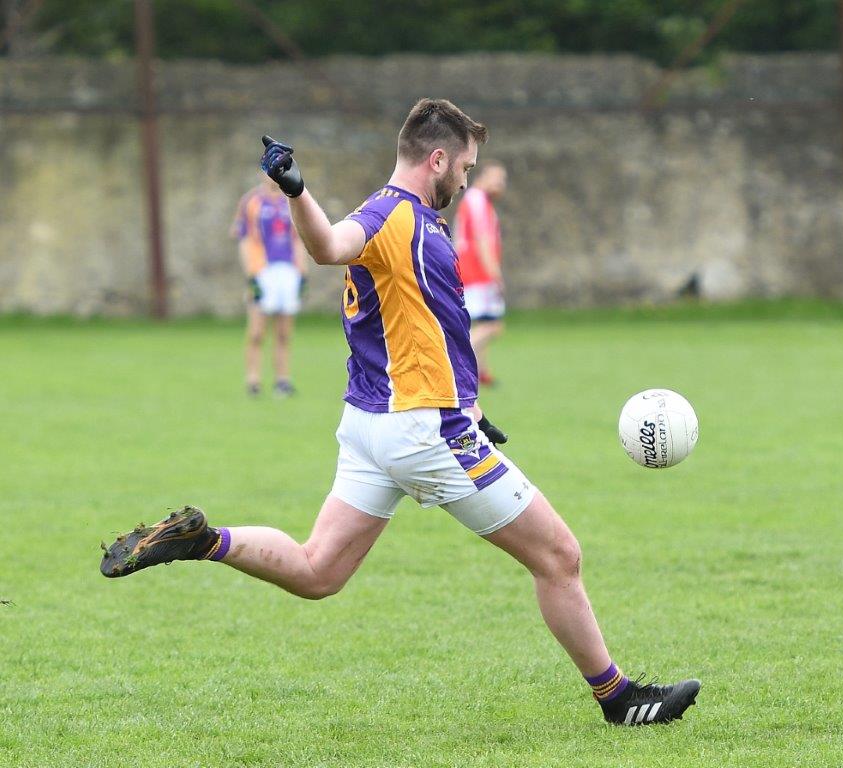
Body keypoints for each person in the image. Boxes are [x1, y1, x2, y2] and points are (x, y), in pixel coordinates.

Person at [100, 99, 700, 726]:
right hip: (421, 429)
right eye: (464, 165)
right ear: (437, 158)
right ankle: (619, 699)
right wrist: (296, 190)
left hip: (373, 426)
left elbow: (424, 327)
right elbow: (330, 245)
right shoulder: (390, 215)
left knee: (317, 571)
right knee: (559, 557)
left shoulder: (408, 220)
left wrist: (469, 404)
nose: (466, 178)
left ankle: (204, 540)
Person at [231, 176, 308, 397]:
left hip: (289, 271)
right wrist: (251, 275)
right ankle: (253, 380)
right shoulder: (252, 201)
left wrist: (302, 273)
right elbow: (243, 238)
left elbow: (299, 238)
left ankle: (282, 380)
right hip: (262, 271)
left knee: (284, 332)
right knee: (257, 331)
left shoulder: (292, 199)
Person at [454, 160, 507, 386]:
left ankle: (481, 371)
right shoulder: (477, 201)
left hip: (473, 271)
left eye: (503, 180)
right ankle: (459, 366)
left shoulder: (478, 201)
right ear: (482, 177)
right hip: (476, 272)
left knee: (482, 322)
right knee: (493, 325)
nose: (500, 184)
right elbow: (482, 240)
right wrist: (495, 273)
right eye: (496, 178)